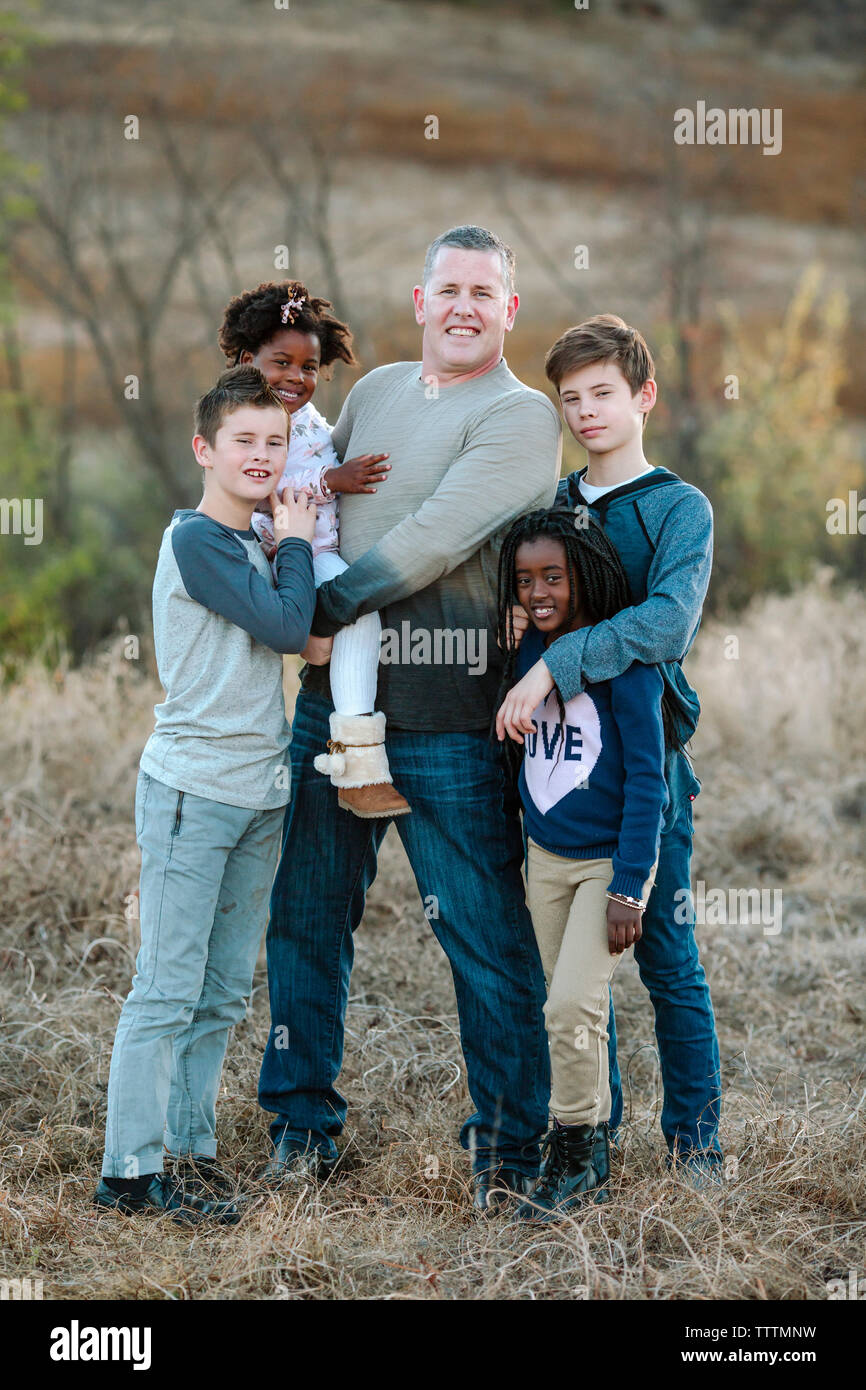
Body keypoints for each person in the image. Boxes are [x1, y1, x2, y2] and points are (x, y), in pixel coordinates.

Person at [257, 225, 562, 1211]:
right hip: (331, 710)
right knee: (304, 920)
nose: (465, 305)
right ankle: (302, 1130)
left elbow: (432, 540)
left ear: (507, 310)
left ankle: (510, 1156)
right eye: (450, 288)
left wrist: (315, 609)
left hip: (444, 716)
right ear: (420, 300)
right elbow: (316, 506)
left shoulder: (521, 418)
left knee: (482, 937)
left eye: (486, 290)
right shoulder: (376, 390)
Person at [496, 314, 723, 1181]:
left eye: (602, 394)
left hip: (645, 775)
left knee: (668, 962)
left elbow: (665, 623)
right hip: (560, 775)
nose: (586, 412)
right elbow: (530, 594)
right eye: (571, 399)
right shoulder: (556, 506)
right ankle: (596, 1131)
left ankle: (696, 1141)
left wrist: (555, 664)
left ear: (642, 397)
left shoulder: (676, 508)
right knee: (577, 984)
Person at [93, 366, 316, 1224]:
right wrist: (295, 540)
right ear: (204, 449)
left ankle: (188, 1153)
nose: (262, 456)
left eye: (275, 441)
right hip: (193, 793)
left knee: (222, 989)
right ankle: (129, 1174)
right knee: (166, 986)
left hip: (259, 792)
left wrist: (287, 543)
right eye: (245, 442)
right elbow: (291, 630)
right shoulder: (198, 540)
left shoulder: (254, 542)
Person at [495, 509, 676, 1220]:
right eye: (523, 580)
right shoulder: (524, 653)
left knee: (569, 1005)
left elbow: (648, 786)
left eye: (553, 577)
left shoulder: (624, 666)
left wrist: (631, 887)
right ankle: (592, 1150)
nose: (538, 591)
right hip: (547, 860)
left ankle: (569, 1148)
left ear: (586, 575)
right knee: (573, 1008)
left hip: (608, 866)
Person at [218, 280, 409, 819]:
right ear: (246, 357)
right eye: (281, 362)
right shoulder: (241, 416)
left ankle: (318, 652)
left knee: (353, 623)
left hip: (315, 544)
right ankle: (356, 757)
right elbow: (264, 487)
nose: (295, 378)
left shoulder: (302, 419)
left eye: (308, 367)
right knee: (359, 613)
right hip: (285, 548)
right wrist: (334, 479)